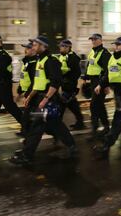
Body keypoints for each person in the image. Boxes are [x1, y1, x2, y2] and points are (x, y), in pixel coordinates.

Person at [10, 36, 77, 165]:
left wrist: (45, 99)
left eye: (35, 45)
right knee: (56, 124)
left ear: (43, 46)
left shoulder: (51, 61)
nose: (33, 47)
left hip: (47, 99)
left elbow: (55, 83)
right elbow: (38, 82)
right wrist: (30, 96)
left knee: (37, 126)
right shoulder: (40, 60)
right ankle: (71, 145)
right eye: (33, 45)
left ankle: (27, 155)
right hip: (39, 98)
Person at [84, 33, 111, 139]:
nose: (93, 41)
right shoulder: (92, 52)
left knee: (94, 105)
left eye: (95, 39)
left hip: (100, 82)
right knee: (99, 105)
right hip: (93, 81)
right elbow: (89, 65)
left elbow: (107, 71)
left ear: (100, 40)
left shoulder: (104, 53)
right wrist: (85, 77)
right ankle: (106, 126)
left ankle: (94, 129)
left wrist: (104, 85)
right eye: (92, 39)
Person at [58, 39, 84, 129]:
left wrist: (69, 81)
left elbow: (77, 72)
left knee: (61, 106)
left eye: (62, 46)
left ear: (67, 47)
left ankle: (57, 126)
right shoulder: (63, 56)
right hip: (65, 85)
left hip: (69, 85)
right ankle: (80, 122)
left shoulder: (72, 58)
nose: (60, 48)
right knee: (73, 105)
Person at [16, 41, 37, 137]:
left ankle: (26, 132)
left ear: (33, 50)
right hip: (27, 92)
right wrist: (20, 92)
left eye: (27, 48)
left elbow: (34, 81)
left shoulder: (33, 63)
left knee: (27, 114)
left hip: (32, 93)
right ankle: (26, 131)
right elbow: (23, 77)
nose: (25, 50)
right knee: (27, 114)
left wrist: (28, 95)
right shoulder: (26, 61)